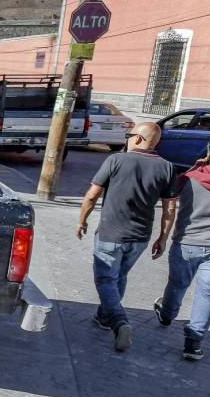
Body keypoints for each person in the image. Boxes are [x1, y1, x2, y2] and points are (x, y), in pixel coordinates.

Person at [76, 122, 177, 352]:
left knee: (105, 279)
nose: (128, 139)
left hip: (111, 232)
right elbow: (170, 210)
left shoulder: (115, 160)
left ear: (139, 139)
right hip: (140, 236)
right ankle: (104, 316)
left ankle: (119, 322)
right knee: (119, 275)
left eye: (130, 135)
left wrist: (82, 220)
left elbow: (92, 196)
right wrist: (162, 238)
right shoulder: (168, 167)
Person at [155, 147, 210, 360]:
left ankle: (167, 316)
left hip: (186, 243)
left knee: (177, 284)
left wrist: (195, 167)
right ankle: (193, 343)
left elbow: (172, 190)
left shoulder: (190, 178)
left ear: (208, 156)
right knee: (208, 294)